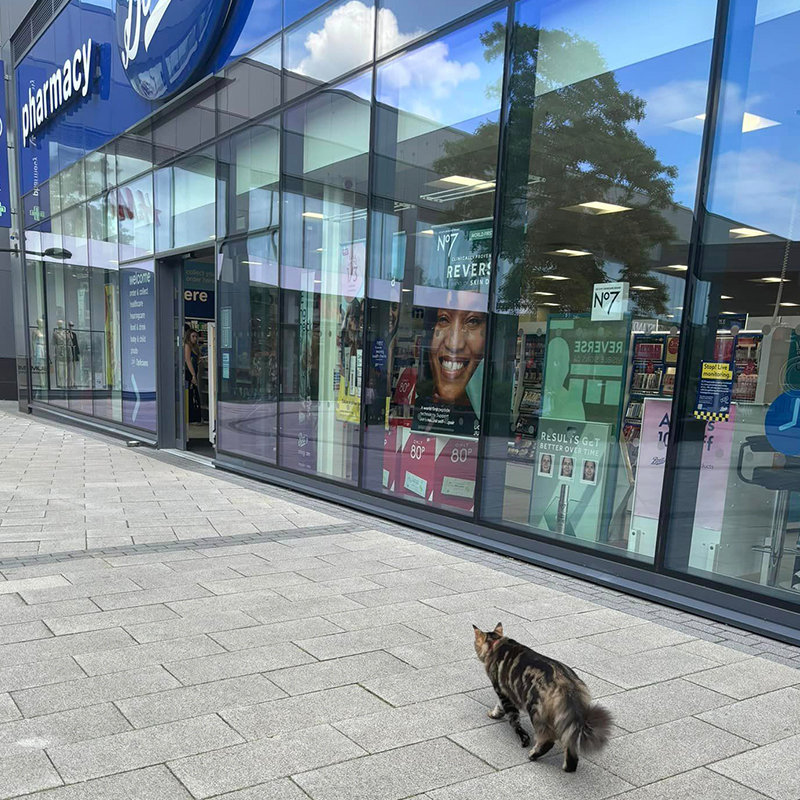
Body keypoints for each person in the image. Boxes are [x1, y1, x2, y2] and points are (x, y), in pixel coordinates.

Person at [184, 328, 202, 425]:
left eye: (196, 336)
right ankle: (192, 416)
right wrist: (193, 375)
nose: (195, 339)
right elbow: (188, 360)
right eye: (193, 336)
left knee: (194, 394)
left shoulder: (195, 348)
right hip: (190, 373)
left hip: (194, 372)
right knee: (191, 395)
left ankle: (195, 416)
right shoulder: (187, 346)